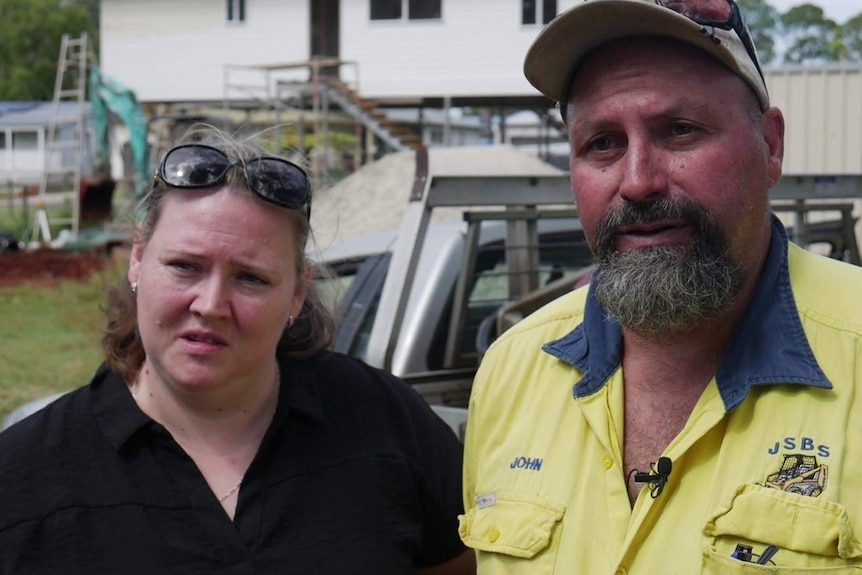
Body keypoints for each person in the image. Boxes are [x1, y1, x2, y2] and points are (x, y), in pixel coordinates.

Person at [459, 1, 862, 573]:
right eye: (602, 142)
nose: (638, 181)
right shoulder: (512, 370)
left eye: (680, 131)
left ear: (770, 147)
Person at [0, 126, 475, 574]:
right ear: (139, 260)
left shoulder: (387, 424)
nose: (211, 305)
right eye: (185, 266)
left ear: (297, 291)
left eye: (251, 278)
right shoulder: (23, 476)